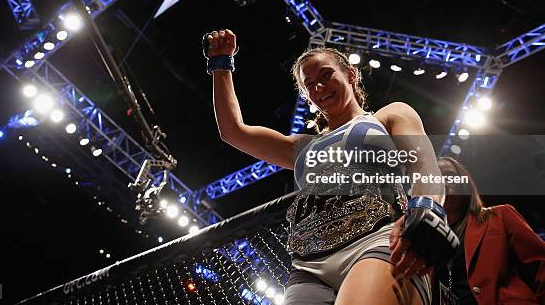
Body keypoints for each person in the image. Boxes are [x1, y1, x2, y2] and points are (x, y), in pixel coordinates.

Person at [203, 29, 457, 305]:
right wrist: (220, 64)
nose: (319, 88)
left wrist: (425, 211)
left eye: (326, 75)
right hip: (308, 266)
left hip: (377, 239)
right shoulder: (301, 147)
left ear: (350, 74)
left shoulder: (390, 116)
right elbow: (233, 132)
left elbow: (424, 166)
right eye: (309, 84)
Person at [433, 157, 545, 305]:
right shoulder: (430, 241)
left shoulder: (500, 216)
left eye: (449, 175)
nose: (443, 182)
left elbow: (541, 265)